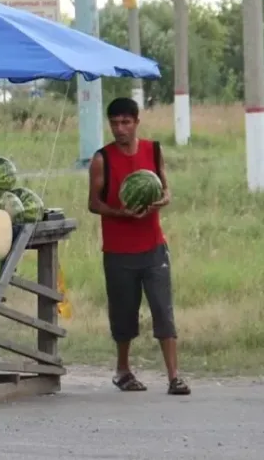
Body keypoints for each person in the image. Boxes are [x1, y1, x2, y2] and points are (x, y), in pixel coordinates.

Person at [87, 97, 190, 396]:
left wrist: (163, 199)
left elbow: (166, 188)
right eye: (114, 123)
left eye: (125, 122)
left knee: (163, 310)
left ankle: (174, 377)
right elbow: (93, 204)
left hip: (153, 247)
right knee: (123, 313)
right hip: (118, 251)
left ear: (136, 122)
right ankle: (123, 370)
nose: (120, 129)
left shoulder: (153, 150)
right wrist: (122, 213)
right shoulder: (101, 159)